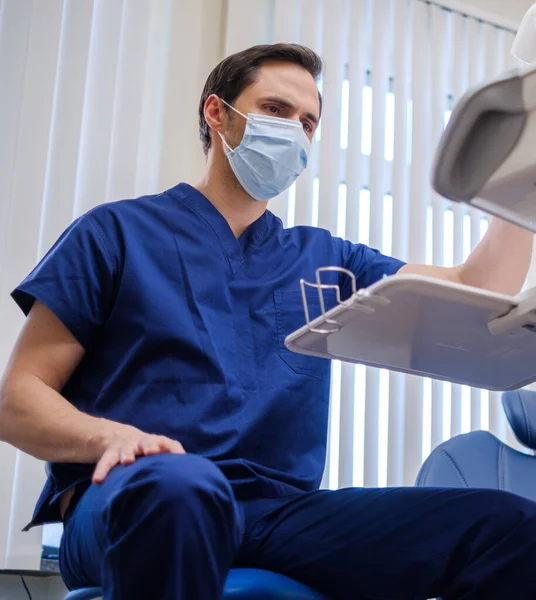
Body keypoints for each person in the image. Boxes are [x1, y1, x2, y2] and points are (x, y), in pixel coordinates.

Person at [0, 43, 535, 600]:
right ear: (217, 113)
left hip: (275, 515)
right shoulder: (114, 233)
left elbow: (479, 288)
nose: (296, 132)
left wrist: (523, 179)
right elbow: (18, 400)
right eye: (277, 110)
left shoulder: (326, 261)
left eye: (308, 123)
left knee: (506, 527)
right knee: (183, 488)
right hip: (136, 497)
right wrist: (116, 437)